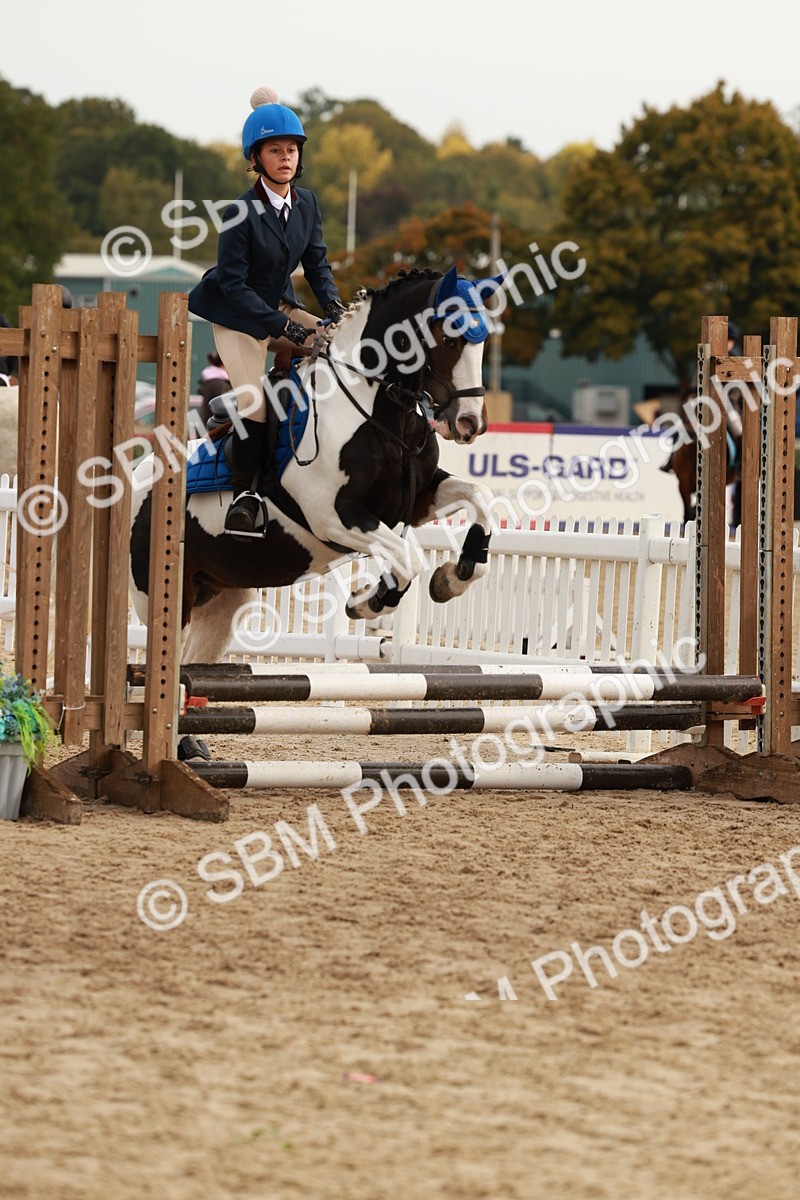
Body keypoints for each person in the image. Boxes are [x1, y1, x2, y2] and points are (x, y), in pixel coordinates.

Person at [188, 85, 346, 534]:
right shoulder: (239, 212)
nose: (285, 158)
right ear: (255, 158)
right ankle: (245, 494)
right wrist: (283, 327)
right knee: (253, 401)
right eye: (275, 150)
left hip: (278, 306)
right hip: (237, 316)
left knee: (343, 348)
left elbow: (317, 266)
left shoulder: (307, 203)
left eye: (292, 150)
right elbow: (234, 286)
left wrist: (336, 311)